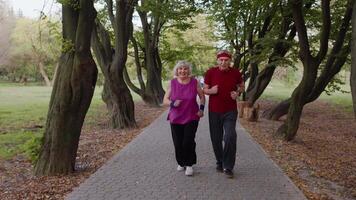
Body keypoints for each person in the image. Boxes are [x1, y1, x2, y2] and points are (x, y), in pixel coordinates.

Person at [203, 50, 244, 178]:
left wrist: (237, 93)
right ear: (217, 60)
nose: (223, 62)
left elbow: (242, 87)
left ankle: (228, 166)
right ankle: (220, 162)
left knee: (230, 136)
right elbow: (204, 89)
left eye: (226, 60)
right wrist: (211, 91)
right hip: (214, 111)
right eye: (221, 60)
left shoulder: (236, 72)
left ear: (230, 61)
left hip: (230, 111)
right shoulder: (210, 72)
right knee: (216, 139)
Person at [163, 60, 205, 176]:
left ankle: (189, 164)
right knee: (178, 142)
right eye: (180, 69)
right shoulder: (172, 83)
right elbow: (165, 100)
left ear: (188, 71)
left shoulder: (194, 82)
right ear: (177, 71)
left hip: (192, 116)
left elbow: (202, 97)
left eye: (185, 69)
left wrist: (201, 109)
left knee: (188, 141)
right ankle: (181, 162)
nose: (183, 71)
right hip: (175, 117)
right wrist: (172, 103)